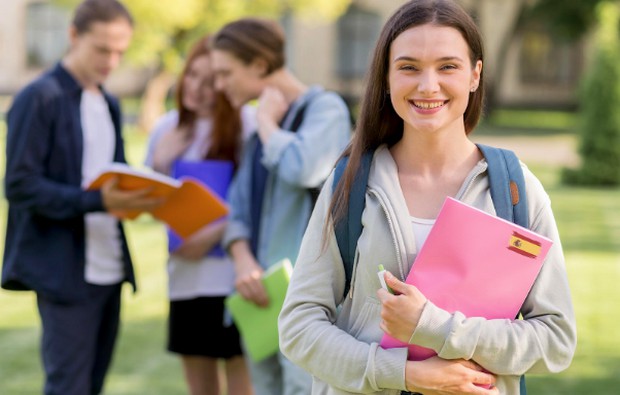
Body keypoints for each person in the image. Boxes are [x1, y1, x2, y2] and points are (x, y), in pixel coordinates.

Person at [278, 1, 577, 394]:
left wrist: (435, 328)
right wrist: (401, 373)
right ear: (386, 79)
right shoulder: (349, 184)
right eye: (409, 67)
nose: (428, 85)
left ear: (475, 75)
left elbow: (555, 340)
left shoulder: (515, 189)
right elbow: (299, 327)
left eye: (448, 66)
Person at [1, 1, 162, 394]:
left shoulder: (108, 102)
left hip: (110, 268)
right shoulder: (39, 97)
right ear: (73, 36)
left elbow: (116, 174)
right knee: (68, 387)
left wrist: (141, 196)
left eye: (120, 51)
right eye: (102, 49)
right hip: (63, 271)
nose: (112, 61)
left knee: (92, 385)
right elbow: (18, 184)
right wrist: (97, 202)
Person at [210, 17, 353, 395]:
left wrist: (267, 125)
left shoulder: (325, 109)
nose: (219, 85)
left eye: (225, 73)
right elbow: (236, 208)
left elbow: (306, 168)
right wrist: (242, 260)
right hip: (259, 299)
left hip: (308, 302)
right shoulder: (260, 128)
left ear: (258, 65)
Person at [144, 35, 255, 395]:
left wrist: (212, 234)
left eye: (211, 80)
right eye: (192, 75)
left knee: (244, 385)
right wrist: (161, 161)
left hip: (234, 279)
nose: (198, 88)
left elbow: (257, 203)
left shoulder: (247, 125)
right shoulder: (167, 128)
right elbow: (147, 204)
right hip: (186, 279)